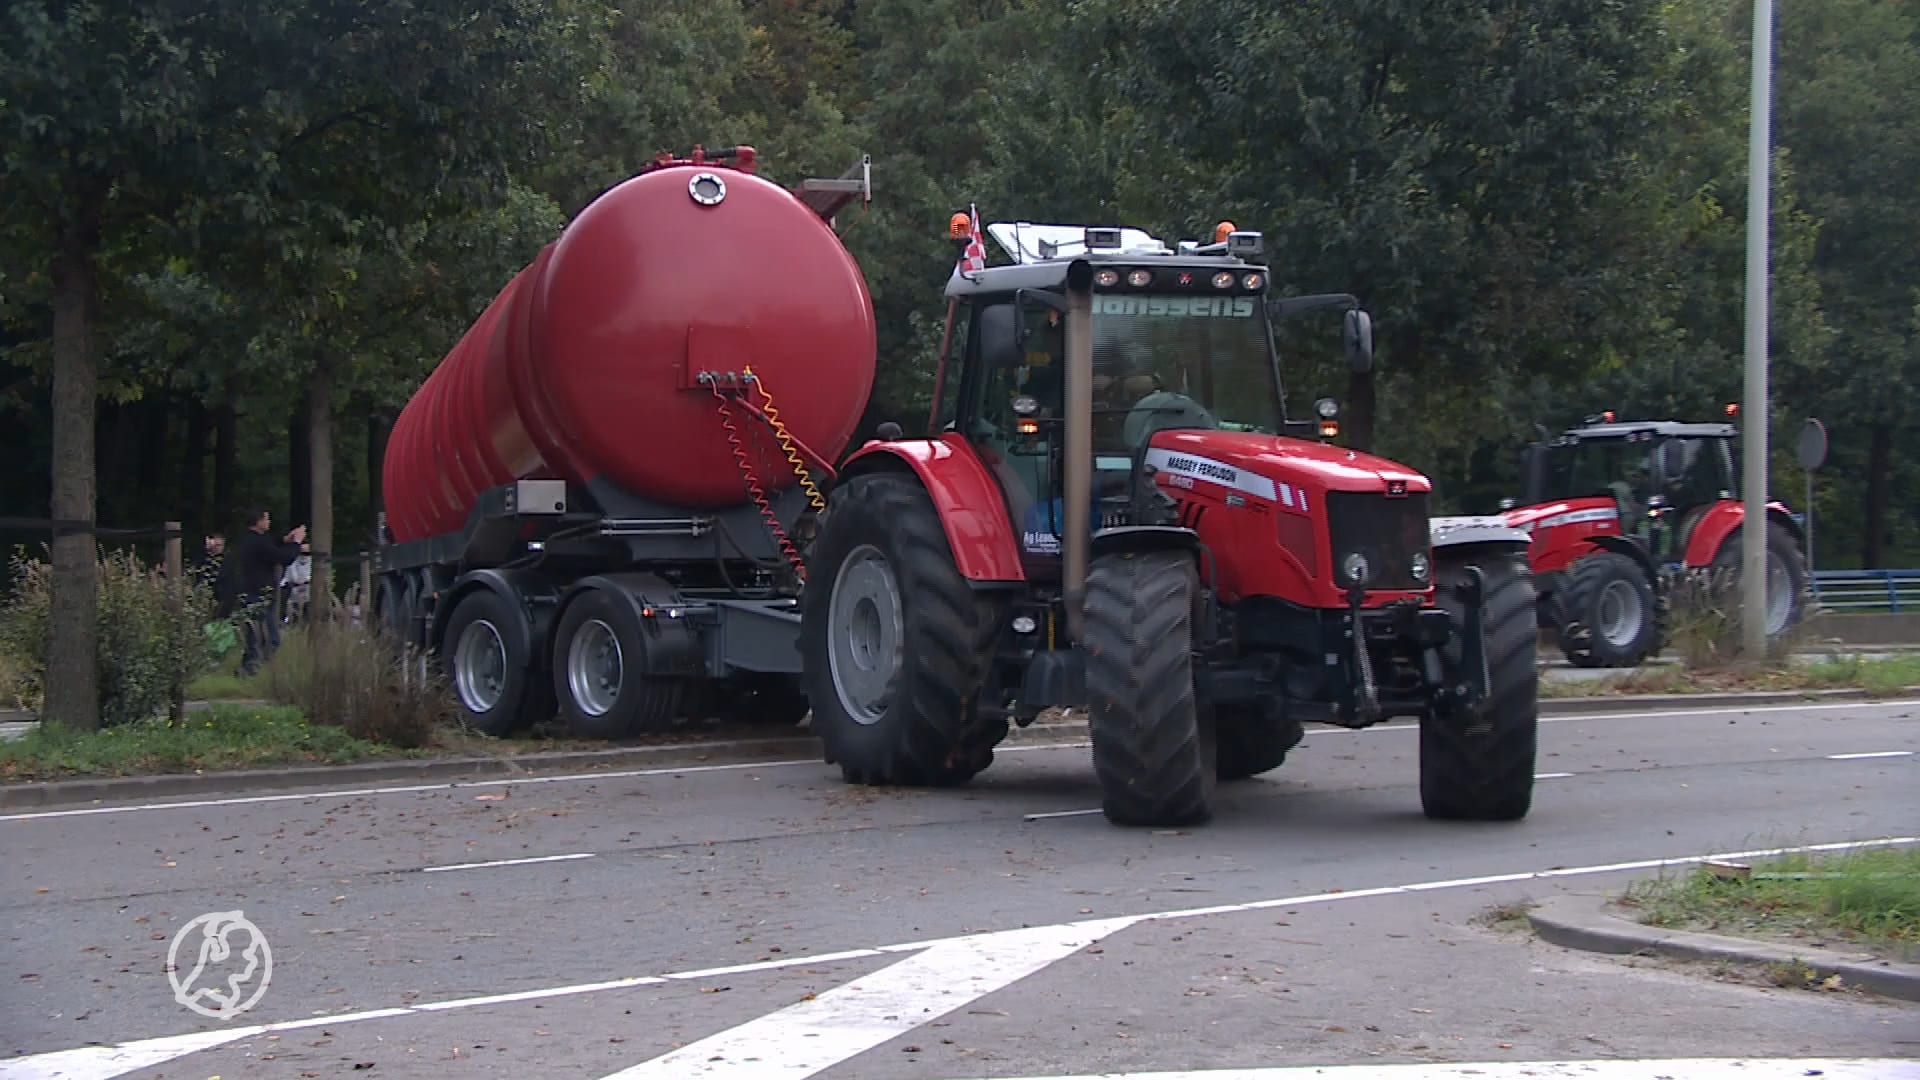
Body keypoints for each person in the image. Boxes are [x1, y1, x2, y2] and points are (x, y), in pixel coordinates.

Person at [233, 509, 305, 675]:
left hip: (250, 592)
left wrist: (284, 540)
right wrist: (296, 543)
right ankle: (257, 669)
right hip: (260, 593)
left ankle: (248, 667)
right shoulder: (259, 543)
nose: (269, 522)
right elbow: (283, 557)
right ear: (258, 521)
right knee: (269, 637)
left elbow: (270, 546)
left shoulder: (249, 541)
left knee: (254, 634)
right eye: (267, 519)